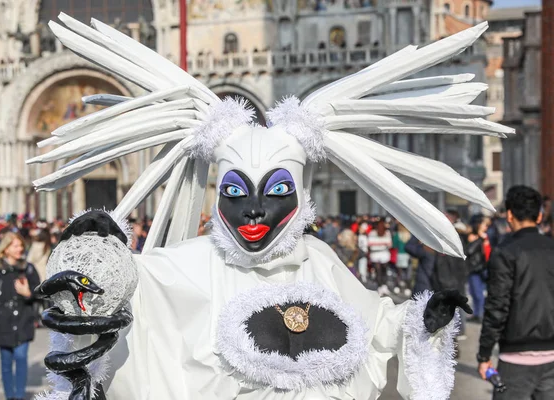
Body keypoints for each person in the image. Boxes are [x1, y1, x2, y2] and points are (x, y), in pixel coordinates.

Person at [30, 17, 504, 400]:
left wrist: (423, 319)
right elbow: (128, 293)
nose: (254, 212)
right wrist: (95, 250)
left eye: (274, 192)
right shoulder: (193, 264)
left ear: (299, 197)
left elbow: (376, 322)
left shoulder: (319, 261)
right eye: (236, 194)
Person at [477, 186, 554, 399]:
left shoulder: (505, 252)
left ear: (509, 215)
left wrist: (484, 354)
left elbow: (496, 306)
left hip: (516, 357)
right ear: (539, 216)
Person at [0, 232, 40, 400]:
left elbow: (39, 292)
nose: (20, 249)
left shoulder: (28, 268)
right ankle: (10, 396)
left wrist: (28, 293)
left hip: (23, 318)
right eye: (15, 246)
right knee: (6, 362)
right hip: (3, 320)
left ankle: (19, 396)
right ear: (5, 249)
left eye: (21, 245)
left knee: (21, 357)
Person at [466, 215, 490, 322]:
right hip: (474, 269)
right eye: (484, 224)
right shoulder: (473, 237)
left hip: (482, 269)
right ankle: (477, 313)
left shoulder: (485, 237)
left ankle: (479, 314)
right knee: (475, 293)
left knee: (479, 294)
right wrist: (480, 240)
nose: (486, 227)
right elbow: (469, 251)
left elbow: (488, 253)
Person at [367, 218, 392, 294]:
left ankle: (383, 286)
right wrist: (383, 244)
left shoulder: (387, 233)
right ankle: (380, 286)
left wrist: (378, 244)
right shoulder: (372, 233)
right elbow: (370, 244)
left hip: (383, 255)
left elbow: (389, 244)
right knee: (379, 272)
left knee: (383, 271)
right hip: (377, 255)